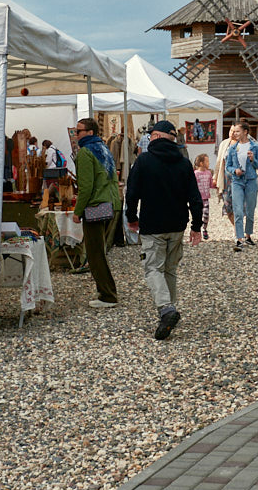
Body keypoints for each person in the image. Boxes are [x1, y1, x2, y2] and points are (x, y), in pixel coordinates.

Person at [124, 120, 203, 340]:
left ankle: (166, 309)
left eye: (150, 135)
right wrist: (197, 226)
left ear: (157, 137)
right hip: (177, 225)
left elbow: (131, 194)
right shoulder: (184, 163)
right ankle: (169, 310)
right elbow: (195, 199)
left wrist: (131, 218)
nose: (148, 138)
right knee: (169, 269)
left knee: (152, 269)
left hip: (153, 225)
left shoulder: (144, 161)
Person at [72, 118, 122, 308]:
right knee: (100, 252)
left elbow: (86, 187)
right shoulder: (103, 149)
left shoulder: (86, 152)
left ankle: (107, 295)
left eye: (78, 131)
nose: (76, 135)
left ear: (89, 132)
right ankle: (107, 291)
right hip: (111, 203)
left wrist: (78, 211)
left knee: (95, 254)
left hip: (95, 205)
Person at [224, 122, 258, 251]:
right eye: (234, 131)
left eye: (237, 131)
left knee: (250, 210)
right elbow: (227, 166)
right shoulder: (232, 149)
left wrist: (252, 160)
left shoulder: (255, 147)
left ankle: (248, 236)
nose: (234, 134)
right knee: (238, 210)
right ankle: (239, 238)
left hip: (251, 180)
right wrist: (235, 170)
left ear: (245, 132)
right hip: (237, 181)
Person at [214, 126, 238, 228]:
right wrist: (215, 177)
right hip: (225, 179)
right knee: (227, 205)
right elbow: (219, 161)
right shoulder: (224, 144)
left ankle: (240, 229)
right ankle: (236, 227)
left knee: (239, 206)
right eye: (230, 130)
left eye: (235, 131)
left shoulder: (244, 144)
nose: (232, 133)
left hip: (239, 179)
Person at [193, 153, 214, 241]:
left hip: (205, 198)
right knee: (197, 215)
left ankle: (204, 229)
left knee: (206, 215)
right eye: (207, 161)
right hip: (197, 199)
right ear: (201, 163)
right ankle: (197, 231)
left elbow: (211, 184)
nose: (209, 163)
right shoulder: (195, 173)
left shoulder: (209, 173)